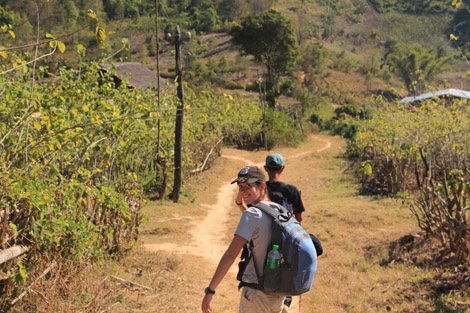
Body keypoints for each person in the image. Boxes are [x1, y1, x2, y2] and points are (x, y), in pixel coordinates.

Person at [202, 166, 285, 313]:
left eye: (248, 185)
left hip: (256, 294)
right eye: (240, 186)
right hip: (277, 293)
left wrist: (210, 290)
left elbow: (230, 255)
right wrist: (241, 205)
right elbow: (260, 226)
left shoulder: (252, 215)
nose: (243, 190)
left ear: (263, 185)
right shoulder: (279, 210)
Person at [234, 153, 306, 223]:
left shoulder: (258, 189)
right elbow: (299, 218)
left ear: (265, 168)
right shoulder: (291, 190)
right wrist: (302, 205)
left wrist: (240, 204)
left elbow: (251, 216)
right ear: (282, 168)